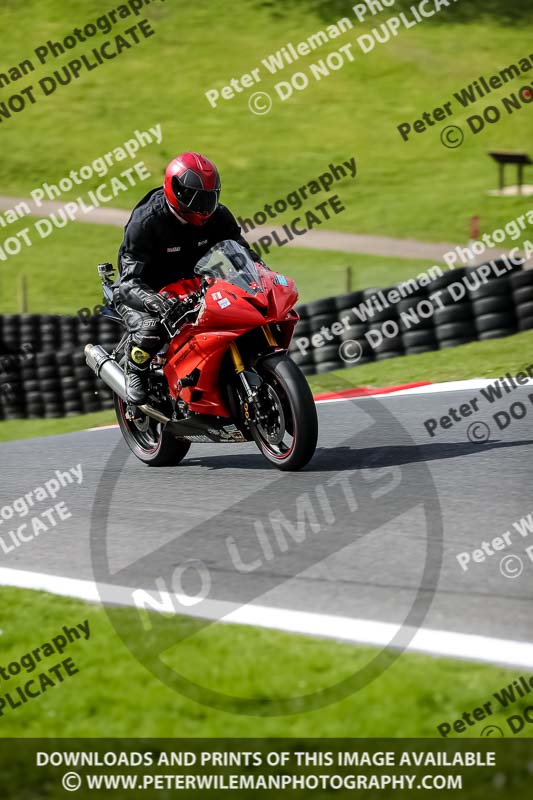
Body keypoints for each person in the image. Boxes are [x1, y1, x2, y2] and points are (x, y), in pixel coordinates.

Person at [115, 151, 258, 405]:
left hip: (189, 284)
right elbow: (127, 282)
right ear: (175, 191)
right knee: (151, 330)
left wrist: (260, 275)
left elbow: (241, 250)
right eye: (195, 198)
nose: (203, 206)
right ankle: (135, 370)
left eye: (209, 197)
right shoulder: (147, 222)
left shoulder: (218, 216)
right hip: (145, 290)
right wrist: (153, 301)